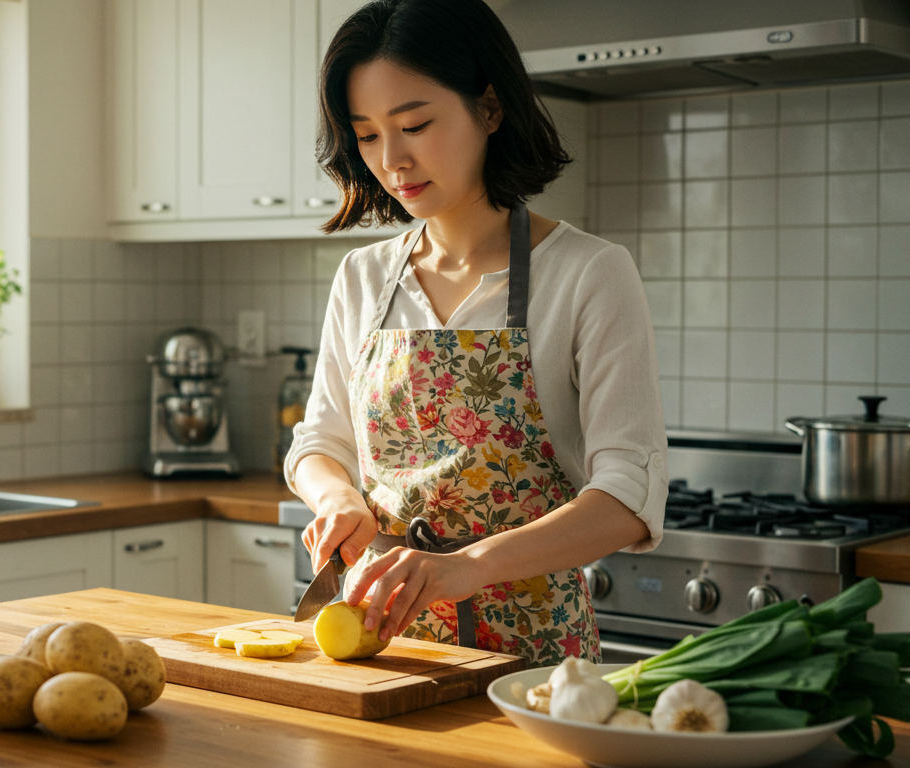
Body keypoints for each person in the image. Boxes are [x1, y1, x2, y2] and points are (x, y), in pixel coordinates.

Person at [286, 0, 667, 667]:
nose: (392, 159)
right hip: (382, 644)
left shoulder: (589, 273)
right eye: (367, 135)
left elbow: (627, 498)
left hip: (532, 663)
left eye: (415, 124)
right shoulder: (363, 276)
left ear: (489, 109)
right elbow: (319, 442)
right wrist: (338, 497)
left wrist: (469, 566)